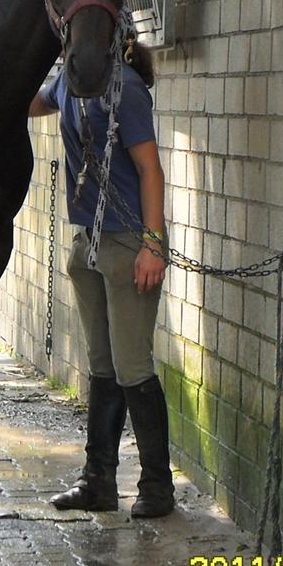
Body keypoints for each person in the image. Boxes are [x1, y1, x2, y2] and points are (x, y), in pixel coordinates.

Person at [28, 46, 174, 518]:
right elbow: (30, 101)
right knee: (102, 366)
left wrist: (153, 243)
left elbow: (150, 169)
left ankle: (158, 487)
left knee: (132, 366)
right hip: (87, 241)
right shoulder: (68, 83)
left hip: (129, 242)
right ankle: (98, 482)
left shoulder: (125, 88)